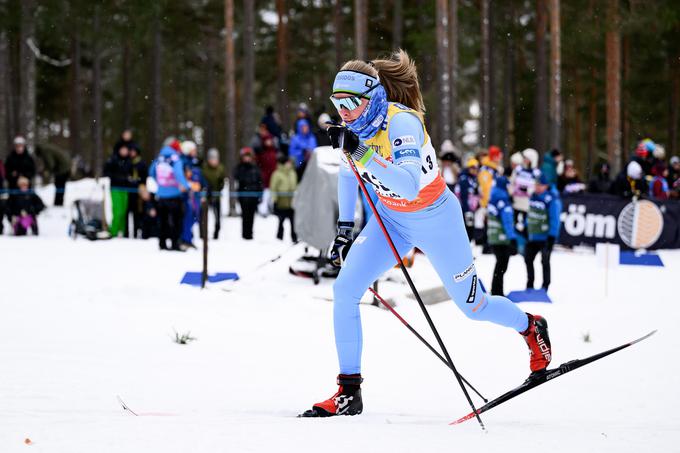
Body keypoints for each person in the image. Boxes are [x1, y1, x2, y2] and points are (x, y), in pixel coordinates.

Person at [300, 50, 552, 418]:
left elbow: (405, 185)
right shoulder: (355, 127)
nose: (343, 112)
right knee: (344, 290)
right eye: (336, 102)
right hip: (392, 222)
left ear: (372, 98)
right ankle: (348, 391)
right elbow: (345, 173)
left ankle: (531, 327)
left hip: (437, 220)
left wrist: (361, 152)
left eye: (350, 102)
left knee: (475, 307)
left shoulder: (403, 124)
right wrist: (343, 231)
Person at [149, 143, 191, 251]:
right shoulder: (175, 158)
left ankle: (162, 243)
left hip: (161, 194)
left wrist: (160, 184)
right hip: (174, 194)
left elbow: (152, 171)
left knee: (163, 221)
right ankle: (175, 243)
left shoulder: (160, 157)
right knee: (176, 221)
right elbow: (178, 174)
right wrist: (185, 186)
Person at [524, 173, 561, 291]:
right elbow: (530, 214)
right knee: (528, 259)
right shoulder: (533, 196)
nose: (537, 187)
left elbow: (555, 218)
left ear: (545, 186)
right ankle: (530, 284)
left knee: (545, 260)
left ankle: (545, 286)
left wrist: (552, 236)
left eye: (540, 185)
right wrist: (526, 227)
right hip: (533, 236)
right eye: (536, 184)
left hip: (545, 237)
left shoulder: (551, 198)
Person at [487, 176, 517, 296]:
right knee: (502, 265)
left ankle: (496, 290)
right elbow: (507, 221)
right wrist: (512, 237)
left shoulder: (493, 196)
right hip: (502, 238)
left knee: (499, 264)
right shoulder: (503, 199)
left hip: (493, 236)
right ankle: (497, 292)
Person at [180, 140, 205, 249]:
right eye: (193, 150)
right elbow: (184, 179)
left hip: (195, 195)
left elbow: (200, 178)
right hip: (187, 195)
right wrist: (190, 185)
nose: (195, 152)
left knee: (195, 216)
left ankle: (188, 237)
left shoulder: (194, 163)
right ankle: (185, 239)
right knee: (188, 217)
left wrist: (203, 185)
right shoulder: (183, 162)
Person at [103, 145, 132, 237]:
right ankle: (113, 231)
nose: (124, 151)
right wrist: (117, 177)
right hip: (115, 187)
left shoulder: (129, 161)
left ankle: (121, 231)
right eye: (122, 149)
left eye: (126, 149)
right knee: (117, 210)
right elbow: (106, 171)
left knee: (123, 211)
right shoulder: (113, 160)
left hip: (125, 188)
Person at [234, 147, 263, 240]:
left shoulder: (255, 168)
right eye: (245, 156)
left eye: (248, 156)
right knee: (245, 216)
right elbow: (237, 178)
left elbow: (260, 182)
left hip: (253, 195)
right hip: (243, 196)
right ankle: (245, 234)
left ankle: (250, 234)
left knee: (251, 216)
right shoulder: (239, 168)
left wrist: (259, 194)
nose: (247, 158)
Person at [270, 154, 298, 242]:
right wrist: (274, 199)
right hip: (281, 202)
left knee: (293, 222)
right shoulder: (277, 174)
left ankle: (294, 238)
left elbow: (295, 185)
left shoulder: (293, 173)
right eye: (287, 162)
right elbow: (273, 188)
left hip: (292, 202)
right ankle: (279, 238)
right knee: (281, 221)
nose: (289, 164)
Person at [453, 157, 480, 241]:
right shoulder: (464, 179)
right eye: (473, 168)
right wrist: (467, 210)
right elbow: (463, 196)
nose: (475, 170)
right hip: (465, 208)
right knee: (467, 228)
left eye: (476, 168)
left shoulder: (473, 178)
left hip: (471, 208)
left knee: (470, 227)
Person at [202, 148, 226, 239]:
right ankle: (203, 234)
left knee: (217, 218)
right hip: (207, 196)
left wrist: (220, 185)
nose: (214, 160)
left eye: (215, 158)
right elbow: (202, 180)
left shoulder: (220, 168)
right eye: (212, 158)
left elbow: (222, 181)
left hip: (216, 196)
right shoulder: (204, 168)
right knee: (204, 217)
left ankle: (216, 234)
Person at [127, 146, 148, 238]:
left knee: (138, 213)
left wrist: (138, 182)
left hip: (139, 191)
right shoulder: (127, 162)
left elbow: (144, 176)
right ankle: (127, 233)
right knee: (128, 212)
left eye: (133, 151)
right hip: (128, 191)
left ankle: (138, 232)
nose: (132, 153)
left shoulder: (142, 163)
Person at [251, 123, 278, 188]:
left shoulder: (273, 143)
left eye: (264, 130)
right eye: (261, 130)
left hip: (272, 169)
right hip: (263, 170)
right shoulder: (258, 141)